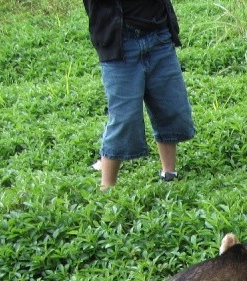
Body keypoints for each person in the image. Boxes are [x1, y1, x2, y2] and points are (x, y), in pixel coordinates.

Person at [83, 0, 195, 190]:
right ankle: (107, 188)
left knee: (171, 106)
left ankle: (169, 173)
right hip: (119, 41)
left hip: (159, 36)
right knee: (125, 117)